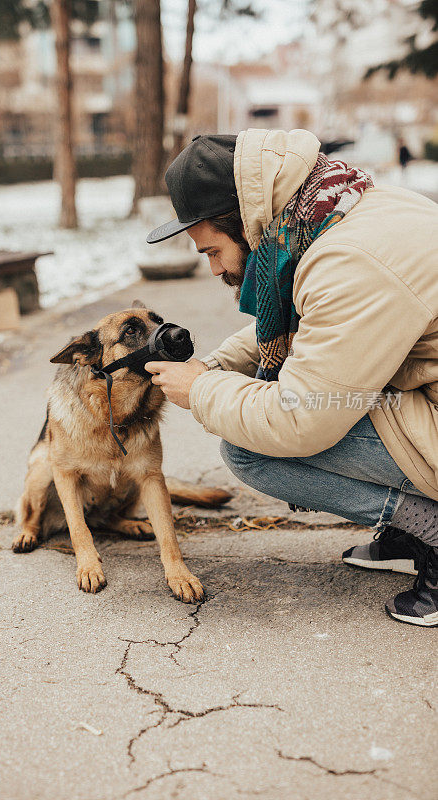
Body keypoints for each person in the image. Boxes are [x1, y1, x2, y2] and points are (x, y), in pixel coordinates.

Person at [144, 128, 438, 627]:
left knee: (250, 449)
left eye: (212, 252)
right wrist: (214, 367)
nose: (215, 269)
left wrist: (201, 391)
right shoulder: (338, 209)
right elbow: (310, 325)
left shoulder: (346, 261)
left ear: (244, 223)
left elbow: (301, 420)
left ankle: (428, 527)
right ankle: (410, 527)